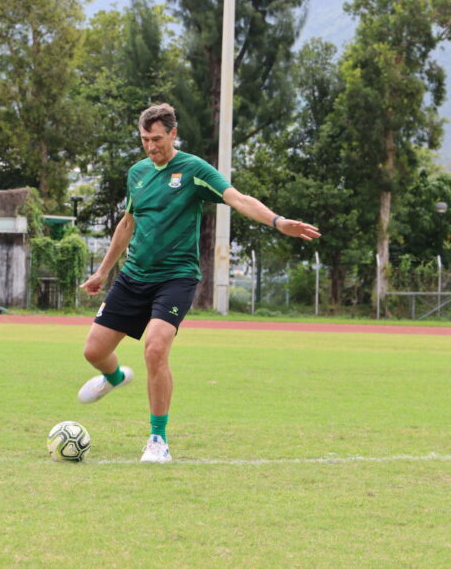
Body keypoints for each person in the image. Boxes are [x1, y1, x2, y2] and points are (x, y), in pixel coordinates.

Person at [77, 103, 320, 463]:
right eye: (144, 139)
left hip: (175, 278)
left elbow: (237, 199)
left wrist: (277, 221)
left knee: (155, 349)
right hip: (133, 277)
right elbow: (127, 224)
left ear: (173, 134)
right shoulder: (138, 173)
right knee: (93, 352)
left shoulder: (192, 170)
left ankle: (158, 439)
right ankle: (114, 377)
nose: (150, 146)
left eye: (157, 139)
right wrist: (102, 271)